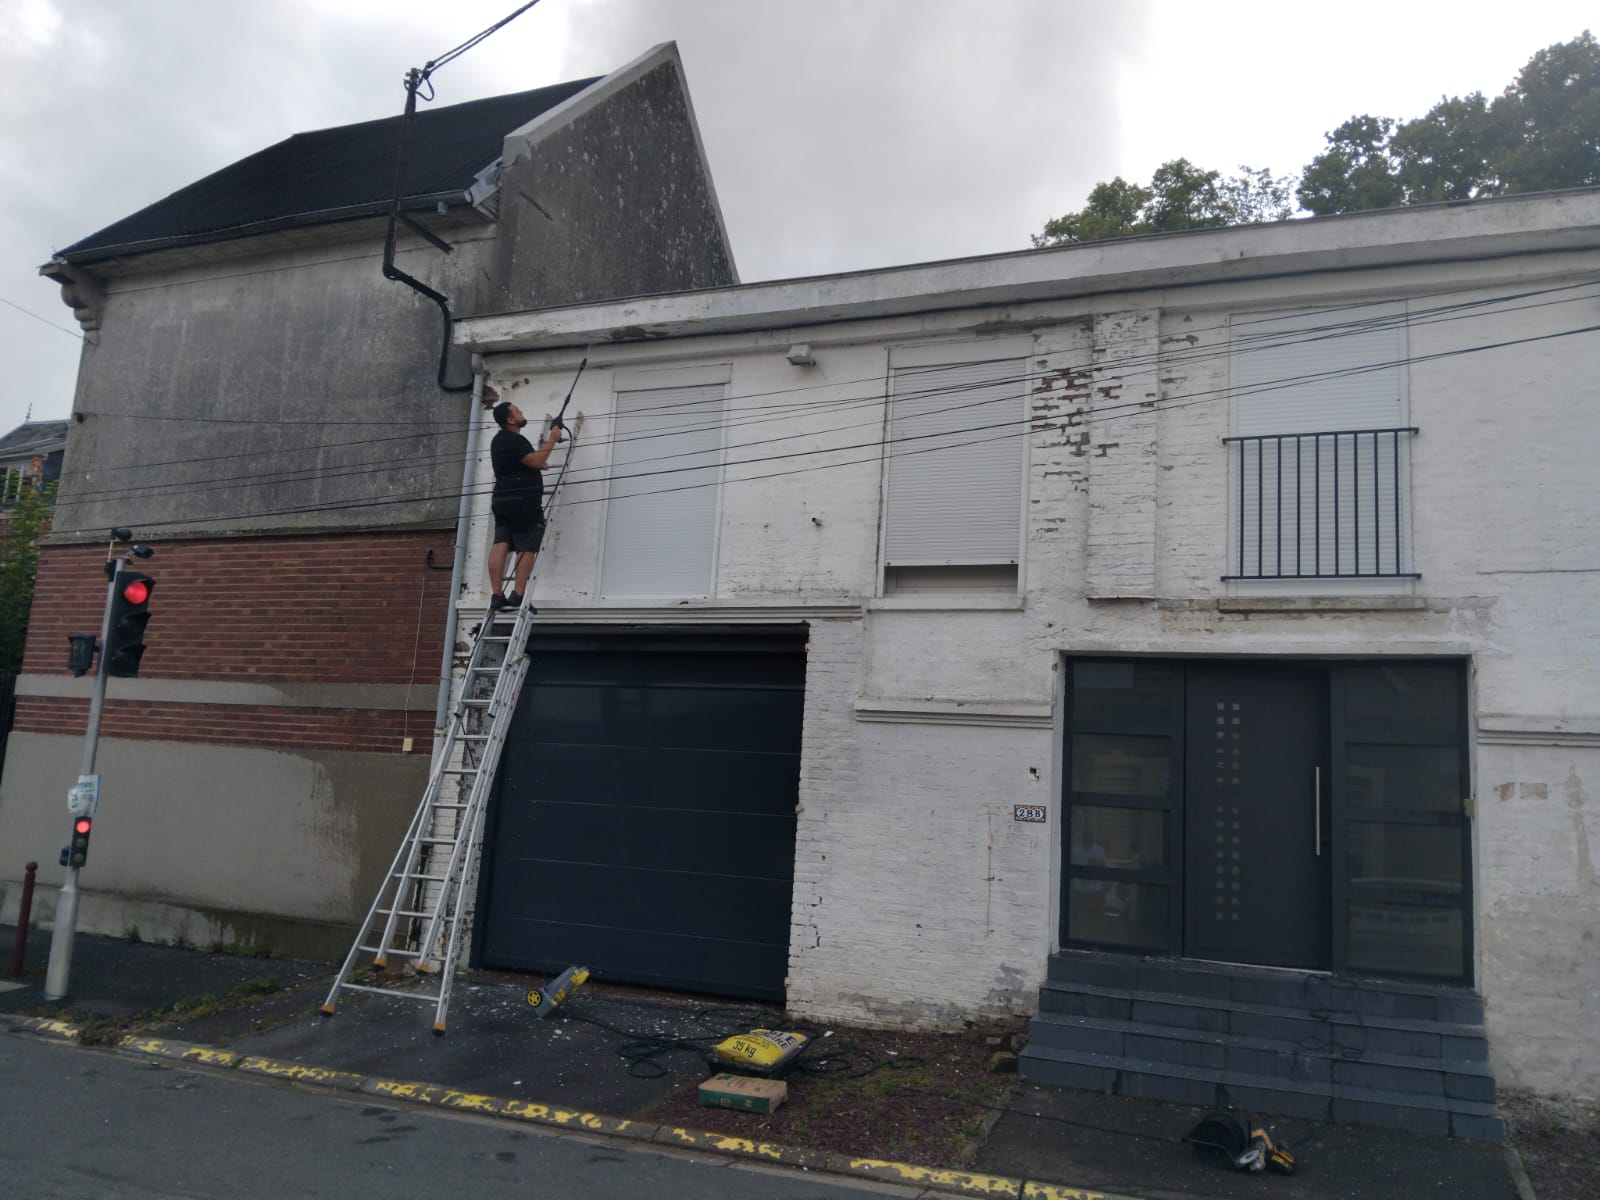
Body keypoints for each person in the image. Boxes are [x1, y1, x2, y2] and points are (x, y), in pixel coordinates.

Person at [487, 401, 563, 610]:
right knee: (527, 545)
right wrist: (552, 440)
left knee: (500, 543)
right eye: (518, 411)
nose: (522, 413)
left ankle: (496, 594)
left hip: (501, 500)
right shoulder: (514, 439)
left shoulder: (498, 441)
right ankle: (518, 594)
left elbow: (521, 464)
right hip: (523, 502)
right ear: (510, 420)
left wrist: (536, 465)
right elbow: (534, 461)